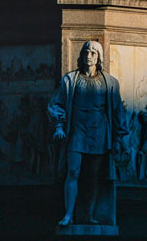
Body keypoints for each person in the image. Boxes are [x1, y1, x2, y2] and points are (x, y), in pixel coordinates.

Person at [48, 41, 128, 226]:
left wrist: (119, 138)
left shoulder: (110, 83)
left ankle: (89, 214)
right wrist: (59, 126)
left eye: (93, 52)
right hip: (77, 131)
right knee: (73, 170)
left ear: (99, 57)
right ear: (81, 55)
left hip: (100, 134)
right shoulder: (70, 80)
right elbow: (56, 104)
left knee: (93, 176)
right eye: (86, 52)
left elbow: (118, 112)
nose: (89, 55)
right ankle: (68, 214)